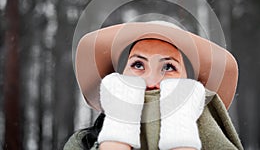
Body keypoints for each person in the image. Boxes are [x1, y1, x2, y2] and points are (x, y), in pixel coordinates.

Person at [64, 20, 244, 150]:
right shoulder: (82, 143)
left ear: (190, 84)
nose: (151, 81)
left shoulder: (213, 140)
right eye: (138, 65)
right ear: (119, 77)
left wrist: (180, 132)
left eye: (168, 67)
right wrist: (118, 130)